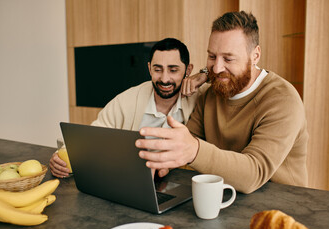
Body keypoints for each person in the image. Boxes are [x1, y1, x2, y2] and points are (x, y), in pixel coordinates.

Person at [135, 11, 309, 194]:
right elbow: (185, 143)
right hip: (226, 200)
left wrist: (194, 150)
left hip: (281, 208)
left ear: (255, 56)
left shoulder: (282, 100)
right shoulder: (211, 94)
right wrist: (160, 163)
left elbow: (253, 174)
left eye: (228, 58)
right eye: (212, 56)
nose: (217, 68)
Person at [49, 38, 209, 178]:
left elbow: (228, 78)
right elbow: (94, 136)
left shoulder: (201, 96)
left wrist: (204, 74)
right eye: (157, 69)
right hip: (130, 181)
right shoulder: (127, 100)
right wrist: (61, 155)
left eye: (173, 70)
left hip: (181, 183)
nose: (165, 78)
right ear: (149, 68)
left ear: (188, 70)